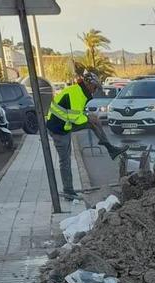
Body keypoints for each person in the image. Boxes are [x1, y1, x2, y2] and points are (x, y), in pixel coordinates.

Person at [45, 70, 127, 199]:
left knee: (94, 122)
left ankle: (110, 149)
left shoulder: (80, 92)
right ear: (88, 85)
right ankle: (68, 190)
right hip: (59, 129)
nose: (95, 91)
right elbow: (75, 119)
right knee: (65, 160)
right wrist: (89, 118)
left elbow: (76, 114)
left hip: (64, 124)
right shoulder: (77, 94)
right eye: (94, 87)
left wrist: (90, 118)